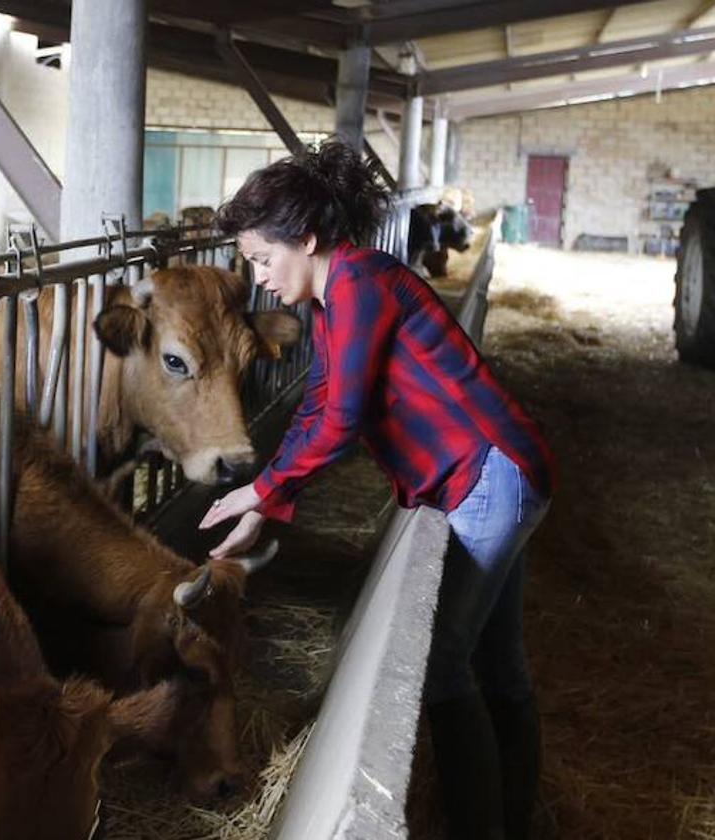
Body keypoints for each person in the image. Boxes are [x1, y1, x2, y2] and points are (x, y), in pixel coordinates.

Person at [198, 139, 555, 840]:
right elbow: (319, 404)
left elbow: (344, 418)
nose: (262, 278)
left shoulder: (361, 282)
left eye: (264, 259)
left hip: (490, 474)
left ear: (304, 238)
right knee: (497, 663)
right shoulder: (338, 302)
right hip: (484, 476)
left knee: (447, 664)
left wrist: (268, 489)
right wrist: (263, 496)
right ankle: (518, 819)